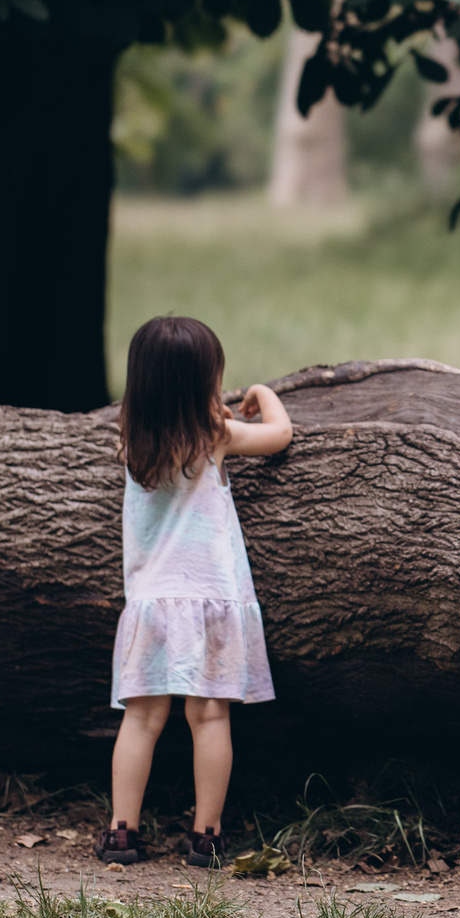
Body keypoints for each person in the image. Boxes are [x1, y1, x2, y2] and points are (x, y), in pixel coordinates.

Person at [97, 316, 293, 870]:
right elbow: (280, 435)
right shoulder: (215, 438)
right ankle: (206, 836)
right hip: (211, 602)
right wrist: (263, 393)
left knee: (140, 720)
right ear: (206, 385)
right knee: (209, 718)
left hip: (152, 604)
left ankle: (121, 832)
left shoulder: (130, 443)